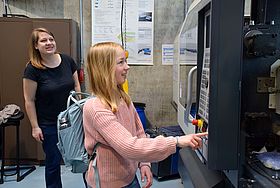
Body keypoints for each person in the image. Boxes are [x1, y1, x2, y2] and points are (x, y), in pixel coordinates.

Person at [83, 42, 208, 188]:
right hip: (108, 184)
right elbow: (129, 146)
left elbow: (139, 132)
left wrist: (144, 164)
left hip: (129, 178)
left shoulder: (122, 97)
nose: (127, 67)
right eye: (121, 62)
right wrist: (176, 141)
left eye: (126, 61)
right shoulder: (96, 108)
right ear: (104, 68)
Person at [23, 28, 81, 188]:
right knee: (53, 162)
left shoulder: (68, 61)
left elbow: (76, 85)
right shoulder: (32, 69)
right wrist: (35, 127)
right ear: (35, 46)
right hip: (49, 124)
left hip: (72, 120)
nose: (49, 43)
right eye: (43, 40)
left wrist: (81, 110)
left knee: (82, 157)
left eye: (51, 39)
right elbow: (29, 100)